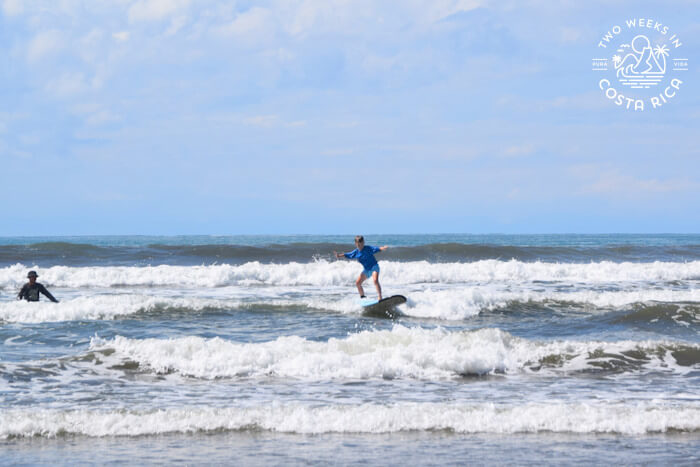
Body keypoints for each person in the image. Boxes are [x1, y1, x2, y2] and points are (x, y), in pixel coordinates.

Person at [335, 235, 388, 300]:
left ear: (363, 242)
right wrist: (339, 255)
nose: (360, 246)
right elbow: (348, 254)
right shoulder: (356, 252)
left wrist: (382, 248)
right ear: (356, 244)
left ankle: (380, 297)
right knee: (358, 283)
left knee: (375, 280)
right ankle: (363, 297)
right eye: (358, 245)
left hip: (374, 267)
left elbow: (376, 249)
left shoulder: (368, 248)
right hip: (366, 270)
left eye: (361, 244)